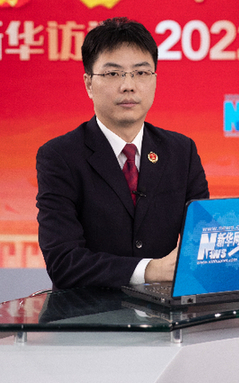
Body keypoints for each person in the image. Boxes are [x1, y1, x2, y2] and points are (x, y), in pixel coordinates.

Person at [36, 17, 209, 289]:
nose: (129, 85)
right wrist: (149, 270)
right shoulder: (60, 157)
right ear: (88, 84)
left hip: (166, 310)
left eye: (141, 73)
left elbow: (202, 241)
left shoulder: (181, 152)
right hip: (88, 311)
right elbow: (63, 262)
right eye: (113, 74)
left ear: (155, 80)